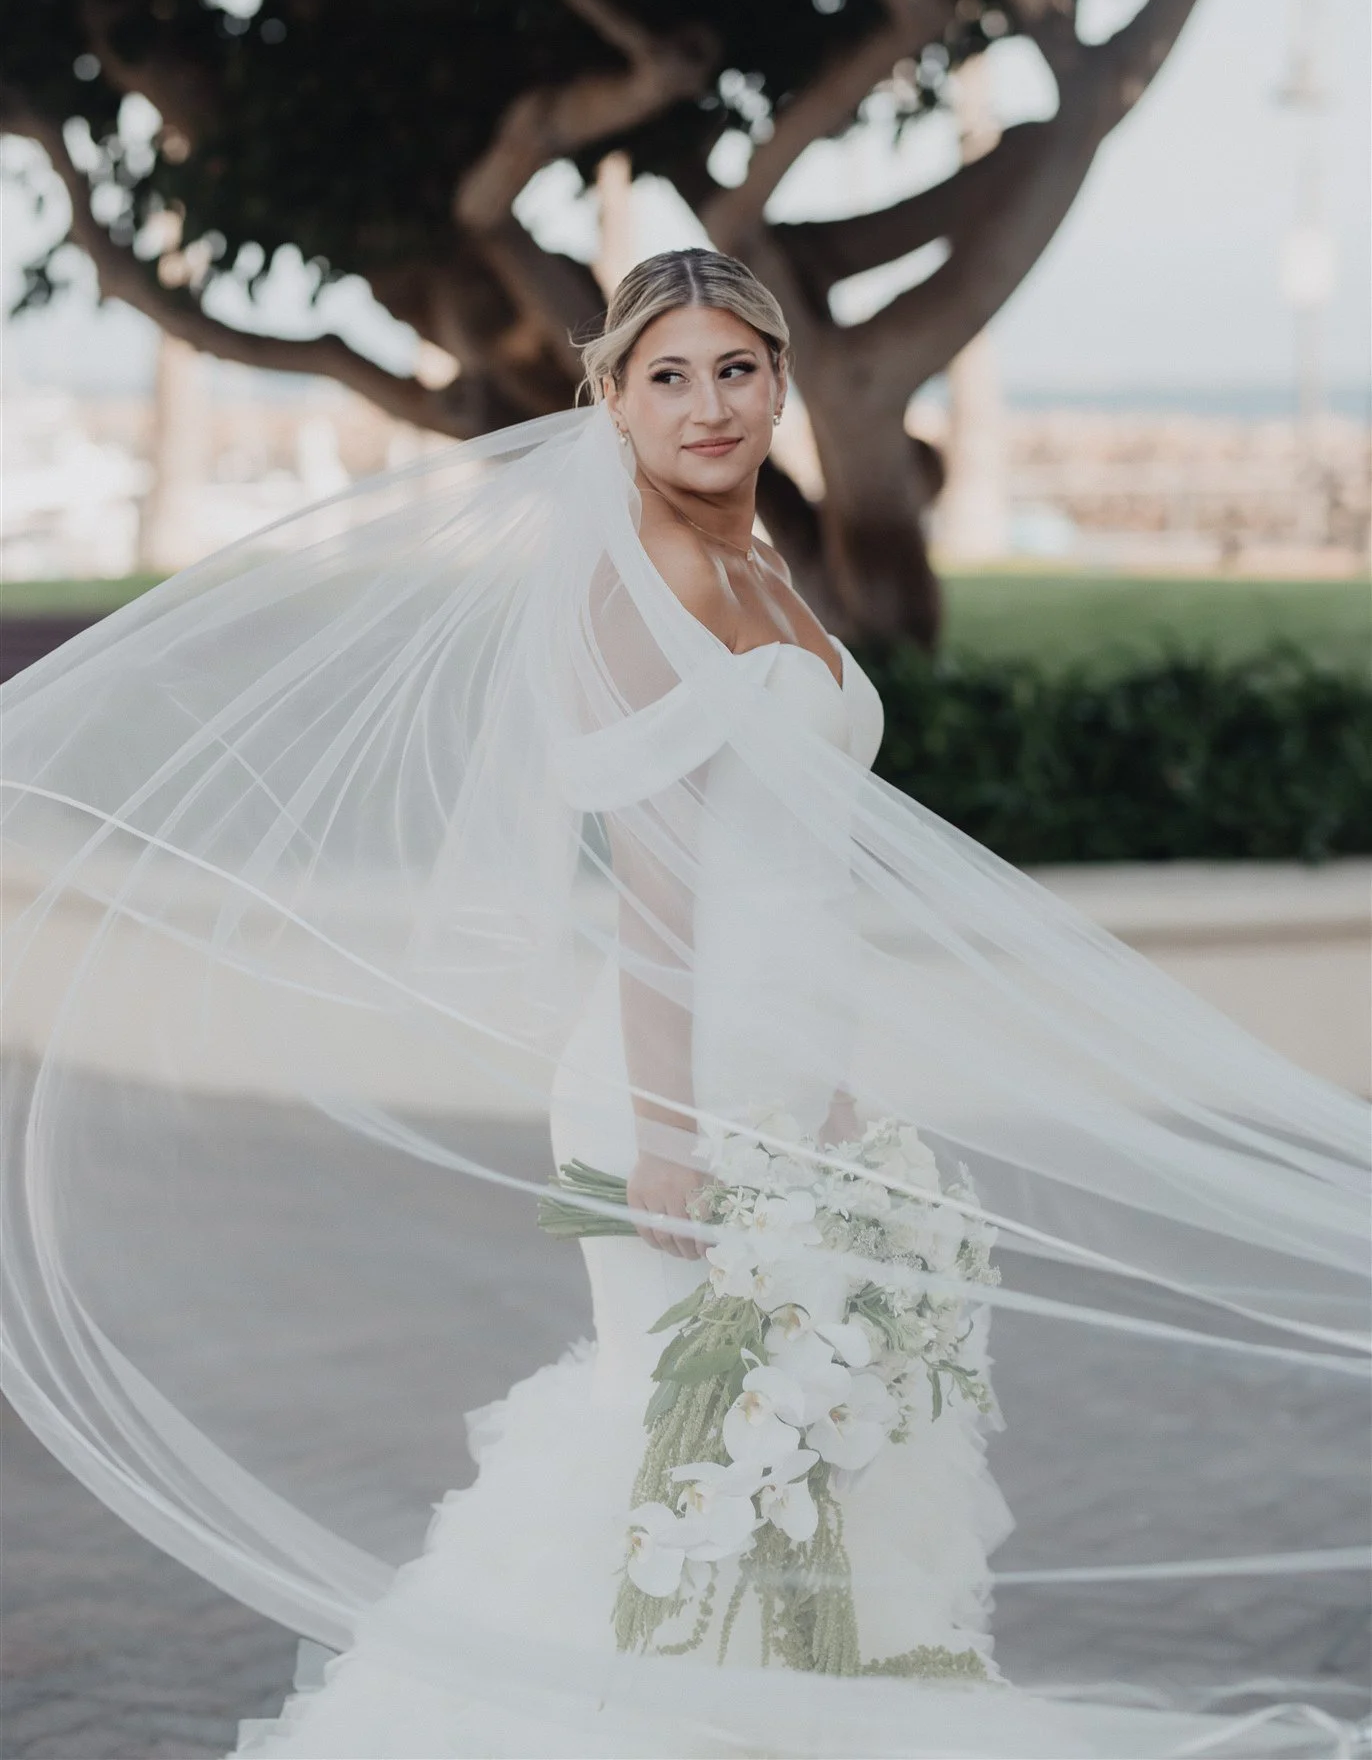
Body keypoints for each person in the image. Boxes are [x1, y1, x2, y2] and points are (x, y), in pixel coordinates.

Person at [1, 253, 1365, 1760]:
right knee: (679, 1447)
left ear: (780, 382)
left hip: (788, 1070)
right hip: (680, 1081)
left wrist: (834, 1100)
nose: (708, 405)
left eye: (735, 370)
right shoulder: (630, 579)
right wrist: (667, 1137)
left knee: (795, 1461)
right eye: (669, 376)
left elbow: (795, 879)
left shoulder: (768, 562)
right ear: (613, 402)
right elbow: (659, 893)